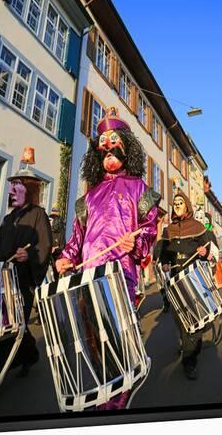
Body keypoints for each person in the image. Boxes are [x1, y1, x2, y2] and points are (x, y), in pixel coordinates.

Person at [56, 107, 160, 409]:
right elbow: (77, 239)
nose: (109, 157)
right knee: (92, 339)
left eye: (115, 150)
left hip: (119, 275)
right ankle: (105, 389)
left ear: (126, 151)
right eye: (104, 152)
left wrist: (137, 239)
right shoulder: (87, 197)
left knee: (116, 335)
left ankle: (117, 401)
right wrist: (65, 258)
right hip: (87, 275)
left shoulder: (139, 188)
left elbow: (149, 229)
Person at [0, 168, 52, 379]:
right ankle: (29, 354)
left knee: (9, 326)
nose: (11, 191)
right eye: (11, 186)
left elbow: (44, 246)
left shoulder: (38, 214)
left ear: (28, 189)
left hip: (22, 281)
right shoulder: (8, 218)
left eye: (17, 186)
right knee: (11, 325)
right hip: (2, 280)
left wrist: (29, 255)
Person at [159, 190, 210, 380]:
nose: (178, 204)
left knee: (194, 317)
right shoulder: (168, 230)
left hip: (194, 277)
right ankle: (190, 345)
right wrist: (164, 261)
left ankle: (189, 360)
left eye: (181, 202)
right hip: (175, 278)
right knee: (179, 318)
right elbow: (164, 251)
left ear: (187, 206)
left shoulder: (197, 226)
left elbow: (208, 245)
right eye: (175, 202)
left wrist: (204, 251)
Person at [48, 204, 66, 281]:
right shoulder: (46, 231)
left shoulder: (60, 232)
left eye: (50, 220)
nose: (48, 222)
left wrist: (55, 249)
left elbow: (62, 247)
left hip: (55, 262)